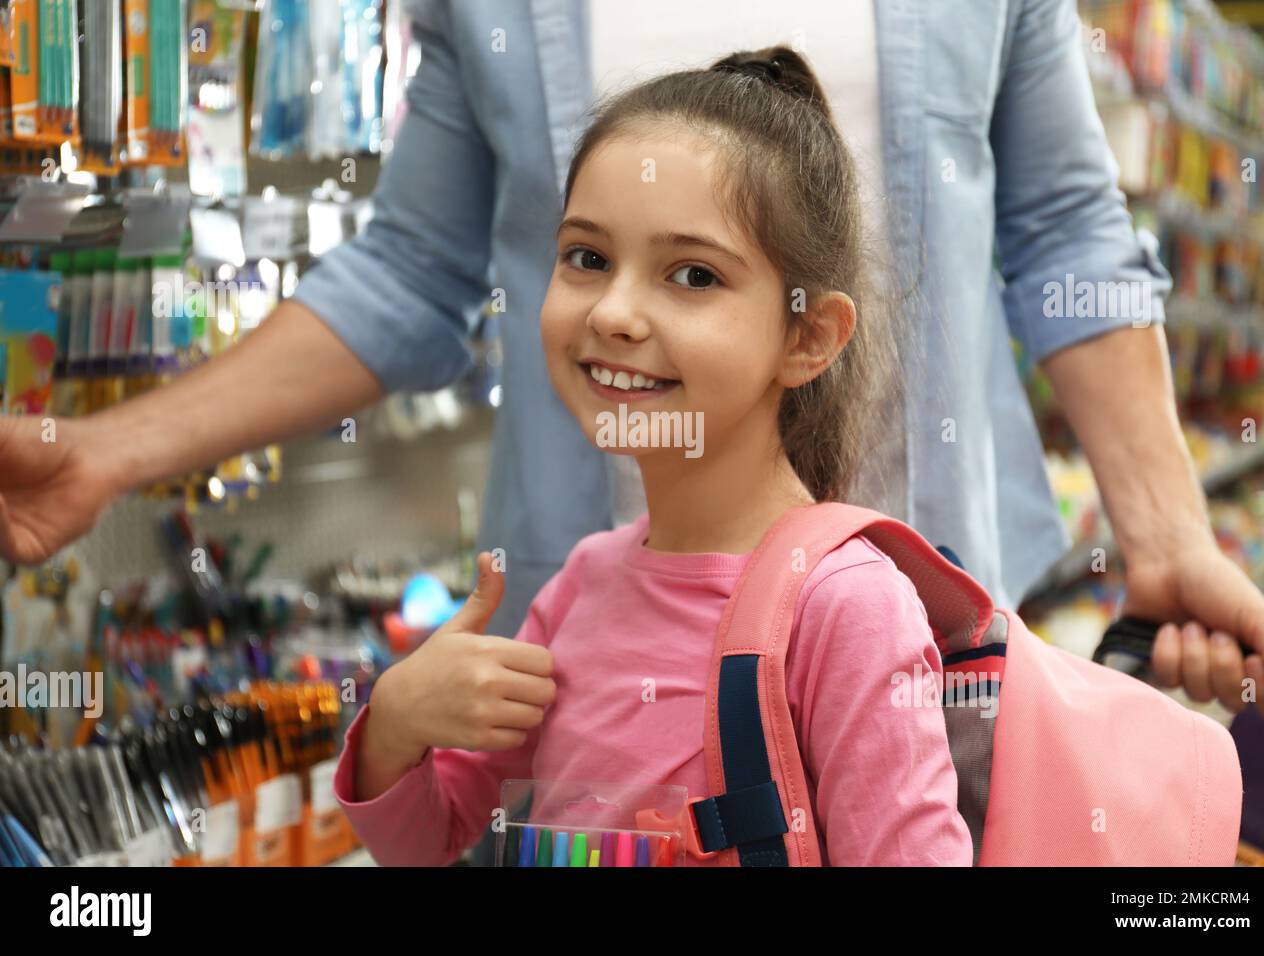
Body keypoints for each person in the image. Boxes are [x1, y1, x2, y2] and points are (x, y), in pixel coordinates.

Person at [0, 0, 1264, 726]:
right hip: (595, 656)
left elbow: (1067, 229)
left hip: (926, 633)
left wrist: (1167, 530)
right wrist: (109, 452)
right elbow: (409, 270)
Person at [339, 48, 973, 865]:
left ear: (808, 336)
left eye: (693, 275)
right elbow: (430, 838)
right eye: (588, 258)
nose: (614, 312)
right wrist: (397, 721)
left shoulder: (847, 609)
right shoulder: (581, 585)